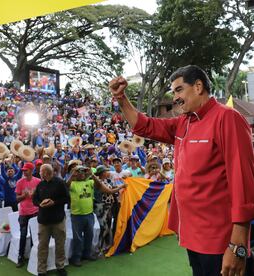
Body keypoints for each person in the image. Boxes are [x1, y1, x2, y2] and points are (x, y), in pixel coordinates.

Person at [109, 65, 254, 276]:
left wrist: (238, 246)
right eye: (173, 92)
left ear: (198, 86)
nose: (175, 97)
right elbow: (144, 126)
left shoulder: (227, 118)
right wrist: (122, 98)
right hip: (192, 237)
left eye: (178, 90)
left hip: (220, 240)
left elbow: (243, 182)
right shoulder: (183, 122)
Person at [66, 165, 120, 267]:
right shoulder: (73, 183)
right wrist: (72, 175)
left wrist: (92, 175)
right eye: (79, 172)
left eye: (83, 172)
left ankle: (87, 254)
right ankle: (76, 258)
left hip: (89, 214)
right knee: (78, 238)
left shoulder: (89, 182)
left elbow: (99, 185)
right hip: (77, 215)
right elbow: (66, 185)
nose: (81, 173)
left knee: (89, 236)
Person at [32, 164, 69, 276]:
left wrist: (54, 202)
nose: (40, 174)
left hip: (58, 219)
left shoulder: (60, 183)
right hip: (44, 221)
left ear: (46, 172)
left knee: (60, 245)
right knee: (42, 246)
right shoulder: (40, 184)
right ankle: (42, 270)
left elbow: (67, 198)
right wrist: (40, 204)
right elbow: (34, 199)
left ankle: (60, 266)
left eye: (41, 172)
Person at [15, 162, 41, 268]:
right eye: (23, 170)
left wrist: (35, 195)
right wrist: (23, 196)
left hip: (35, 212)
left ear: (31, 170)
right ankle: (20, 257)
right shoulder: (20, 182)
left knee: (34, 236)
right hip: (24, 213)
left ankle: (33, 256)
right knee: (23, 235)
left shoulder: (38, 181)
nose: (24, 172)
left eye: (26, 170)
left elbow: (41, 197)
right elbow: (16, 199)